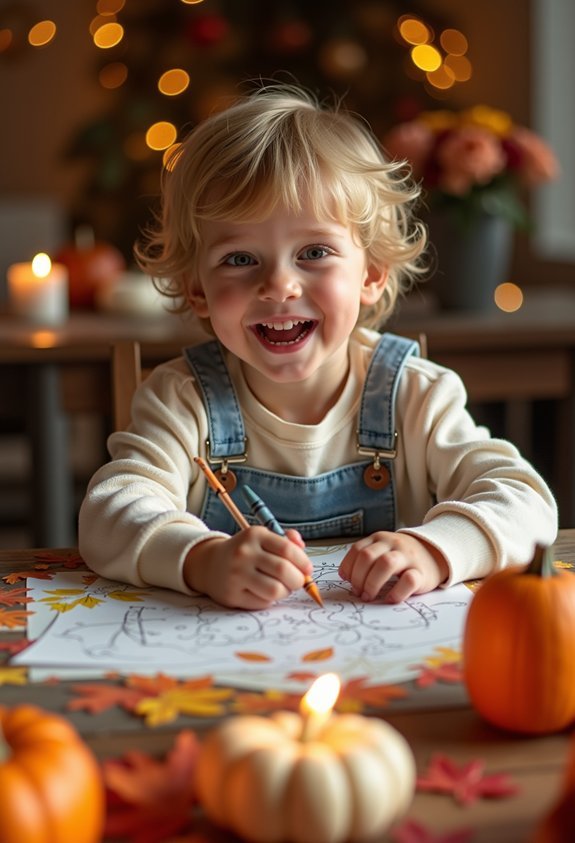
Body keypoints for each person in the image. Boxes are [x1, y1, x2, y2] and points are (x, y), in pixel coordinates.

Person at [78, 84, 557, 610]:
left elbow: (528, 503)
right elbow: (108, 514)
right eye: (239, 258)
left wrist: (434, 550)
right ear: (198, 290)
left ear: (371, 274)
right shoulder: (180, 399)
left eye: (314, 251)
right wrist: (200, 559)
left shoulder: (417, 394)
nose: (279, 284)